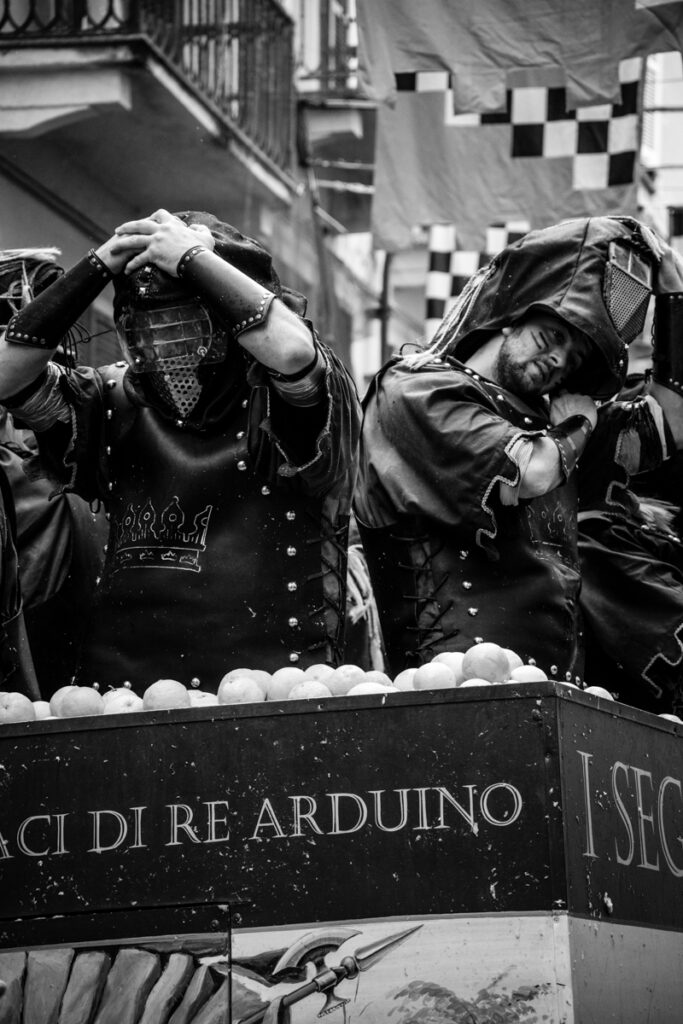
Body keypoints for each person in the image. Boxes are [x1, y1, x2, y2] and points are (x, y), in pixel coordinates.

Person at [0, 210, 361, 694]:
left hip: (276, 694)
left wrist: (192, 258)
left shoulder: (278, 403)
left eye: (184, 328)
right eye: (151, 332)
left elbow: (295, 354)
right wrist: (100, 265)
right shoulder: (109, 399)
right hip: (124, 700)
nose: (169, 351)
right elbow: (6, 375)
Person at [354, 215, 683, 714]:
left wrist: (674, 297)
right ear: (513, 313)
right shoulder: (416, 388)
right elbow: (529, 472)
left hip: (558, 699)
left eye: (572, 359)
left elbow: (671, 423)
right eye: (551, 336)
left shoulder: (556, 422)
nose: (557, 360)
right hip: (446, 695)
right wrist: (578, 428)